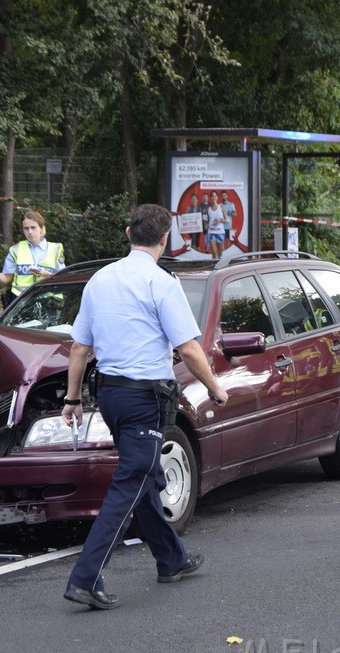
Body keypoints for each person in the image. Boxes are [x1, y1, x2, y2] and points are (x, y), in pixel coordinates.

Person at [60, 203, 229, 610]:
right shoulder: (161, 282)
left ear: (127, 233)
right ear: (164, 238)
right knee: (132, 481)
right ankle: (85, 577)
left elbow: (80, 347)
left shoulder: (99, 280)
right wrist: (215, 388)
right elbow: (188, 348)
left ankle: (172, 559)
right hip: (144, 399)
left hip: (111, 397)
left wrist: (72, 398)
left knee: (146, 475)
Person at [0, 210, 65, 307]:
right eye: (26, 228)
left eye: (33, 227)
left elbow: (63, 278)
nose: (30, 232)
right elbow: (6, 279)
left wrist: (47, 274)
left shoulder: (55, 249)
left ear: (41, 228)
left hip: (48, 302)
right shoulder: (15, 250)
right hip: (21, 302)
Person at [207, 191, 227, 260]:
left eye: (215, 196)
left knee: (220, 253)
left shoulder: (221, 207)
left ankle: (219, 267)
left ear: (217, 197)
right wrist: (206, 225)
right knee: (214, 251)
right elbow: (207, 221)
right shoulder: (208, 209)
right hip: (211, 232)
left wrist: (220, 220)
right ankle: (213, 267)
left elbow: (226, 220)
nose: (214, 197)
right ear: (210, 198)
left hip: (220, 232)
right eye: (212, 196)